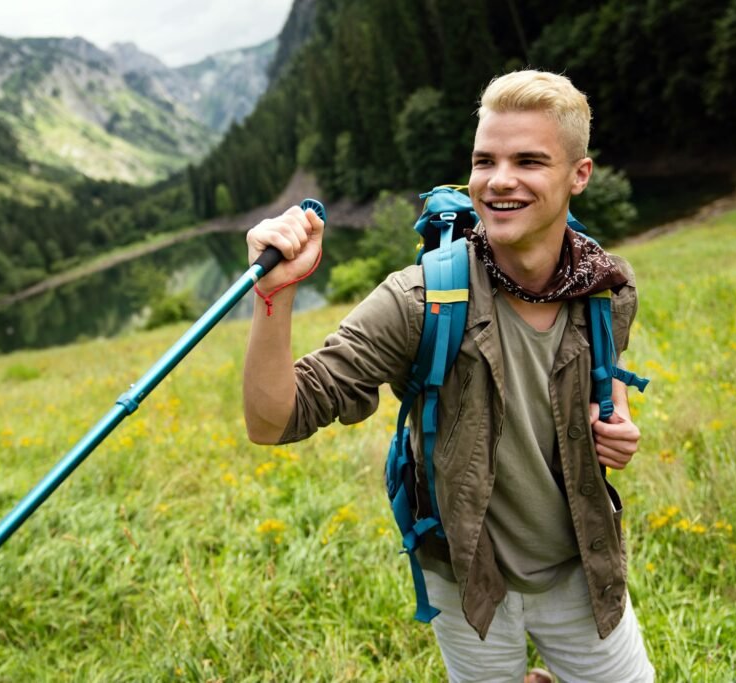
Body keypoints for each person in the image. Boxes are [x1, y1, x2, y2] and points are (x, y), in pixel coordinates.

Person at [242, 70, 654, 682]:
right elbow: (272, 421)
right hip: (467, 580)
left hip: (581, 568)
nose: (500, 180)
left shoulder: (608, 287)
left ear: (579, 175)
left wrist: (615, 418)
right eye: (485, 160)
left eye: (529, 160)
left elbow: (604, 378)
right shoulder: (421, 298)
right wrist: (273, 296)